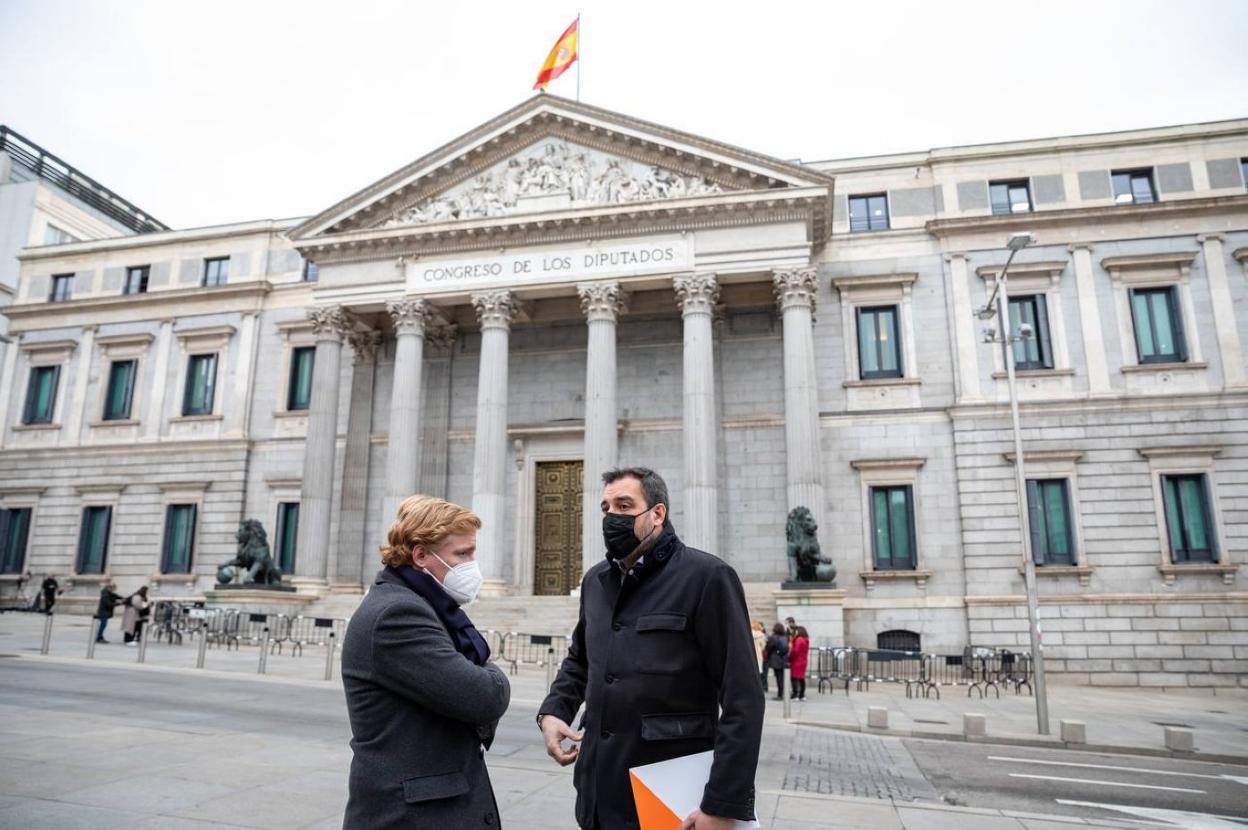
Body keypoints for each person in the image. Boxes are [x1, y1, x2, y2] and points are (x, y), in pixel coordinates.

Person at [538, 467, 764, 830]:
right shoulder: (595, 581)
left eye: (624, 505)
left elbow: (744, 698)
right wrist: (553, 711)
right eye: (606, 508)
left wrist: (722, 804)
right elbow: (580, 660)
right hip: (598, 794)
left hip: (670, 797)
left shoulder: (707, 577)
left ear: (657, 513)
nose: (612, 517)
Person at [341, 494, 510, 829]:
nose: (472, 565)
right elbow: (485, 696)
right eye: (462, 554)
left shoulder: (423, 606)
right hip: (411, 816)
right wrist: (488, 668)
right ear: (420, 555)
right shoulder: (397, 614)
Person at [789, 626, 810, 701]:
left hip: (797, 661)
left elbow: (795, 651)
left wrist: (790, 656)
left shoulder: (799, 639)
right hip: (803, 661)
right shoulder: (805, 639)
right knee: (801, 678)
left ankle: (795, 695)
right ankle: (802, 695)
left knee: (794, 678)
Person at [751, 620, 768, 693]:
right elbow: (763, 646)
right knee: (759, 671)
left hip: (751, 653)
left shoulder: (749, 633)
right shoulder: (761, 635)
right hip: (758, 654)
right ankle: (759, 687)